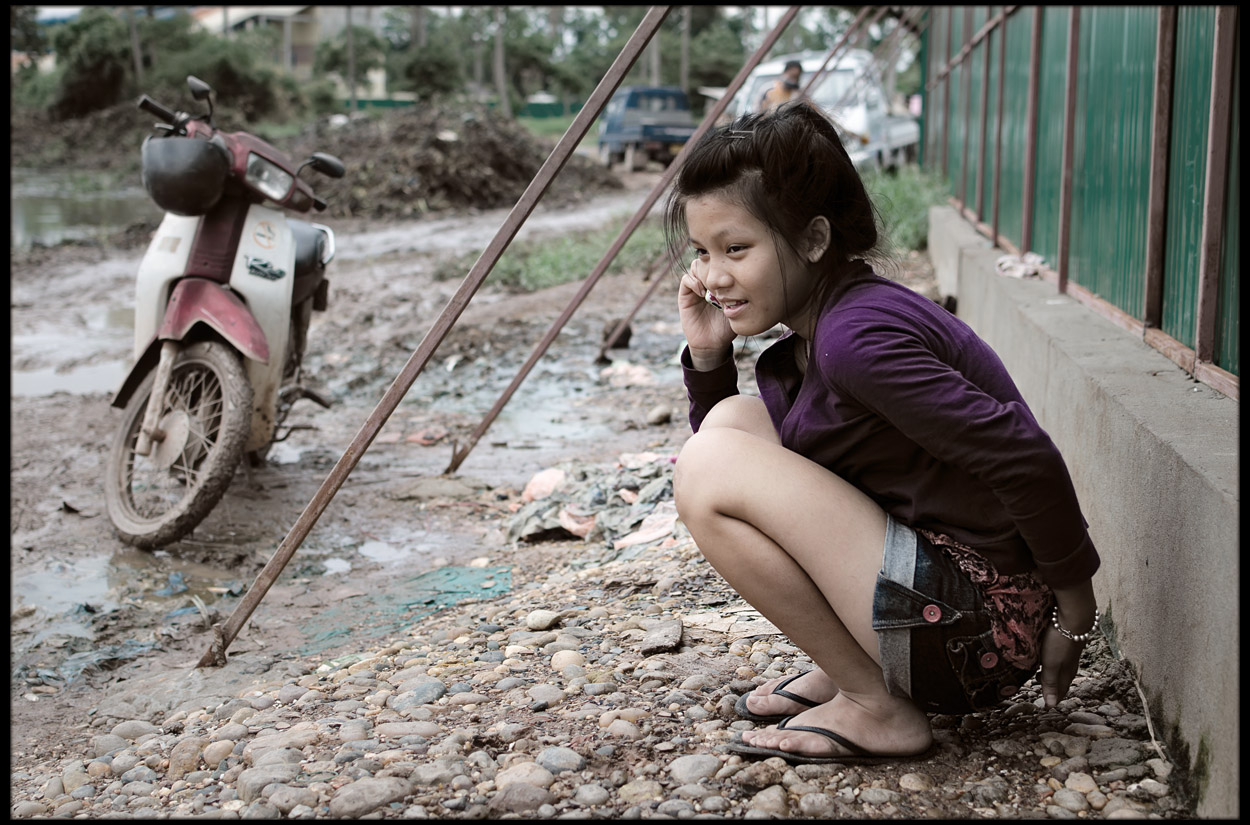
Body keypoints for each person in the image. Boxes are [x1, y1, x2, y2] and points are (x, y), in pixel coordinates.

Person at [665, 102, 1101, 764]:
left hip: (982, 630)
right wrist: (709, 359)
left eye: (736, 249)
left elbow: (1023, 454)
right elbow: (758, 485)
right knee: (727, 428)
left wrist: (1076, 616)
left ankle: (877, 704)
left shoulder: (857, 342)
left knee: (707, 466)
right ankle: (856, 671)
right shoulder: (824, 329)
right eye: (702, 252)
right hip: (941, 596)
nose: (713, 275)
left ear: (813, 240)